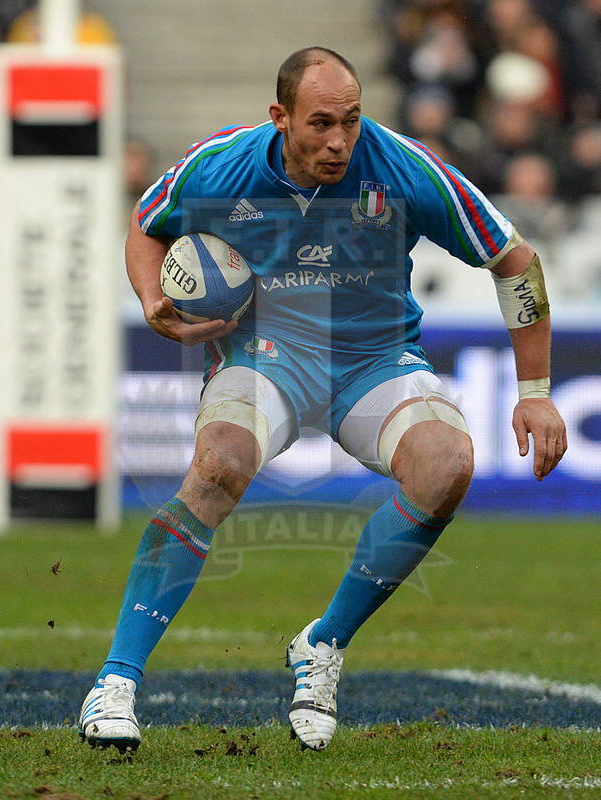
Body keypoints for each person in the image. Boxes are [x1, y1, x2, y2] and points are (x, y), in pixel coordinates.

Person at [78, 46, 567, 753]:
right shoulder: (219, 165)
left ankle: (322, 645)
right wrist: (152, 297)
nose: (340, 141)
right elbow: (147, 223)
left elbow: (515, 259)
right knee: (218, 465)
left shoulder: (402, 167)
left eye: (352, 120)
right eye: (320, 124)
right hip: (265, 356)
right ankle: (115, 682)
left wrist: (537, 394)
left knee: (447, 463)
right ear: (279, 118)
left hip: (372, 361)